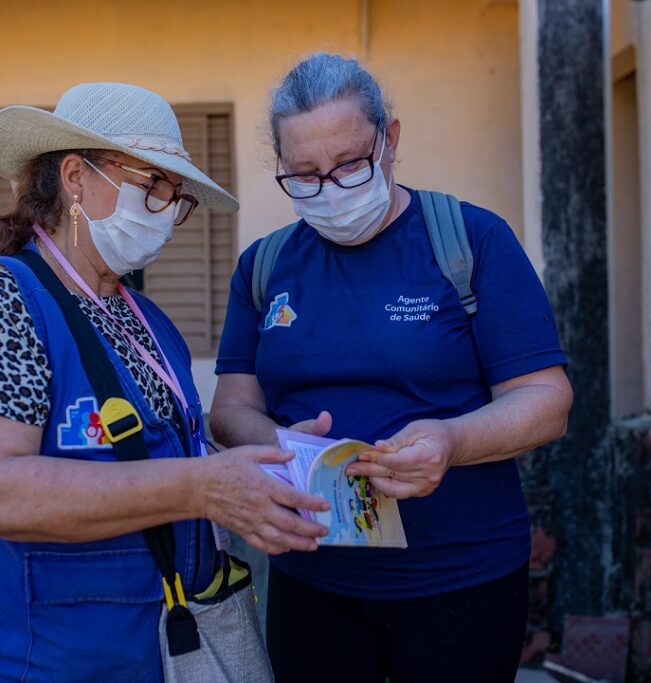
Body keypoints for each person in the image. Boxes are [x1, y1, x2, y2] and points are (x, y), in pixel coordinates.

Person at [0, 82, 329, 683]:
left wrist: (268, 469)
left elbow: (160, 457)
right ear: (76, 178)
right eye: (150, 184)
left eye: (174, 195)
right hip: (39, 666)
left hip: (154, 654)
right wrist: (203, 486)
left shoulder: (144, 318)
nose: (166, 208)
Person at [210, 53, 574, 683]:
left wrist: (451, 440)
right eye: (303, 175)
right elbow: (230, 407)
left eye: (350, 164)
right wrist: (284, 448)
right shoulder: (264, 266)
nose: (330, 190)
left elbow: (547, 400)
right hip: (311, 577)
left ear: (390, 139)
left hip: (462, 579)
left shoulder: (471, 241)